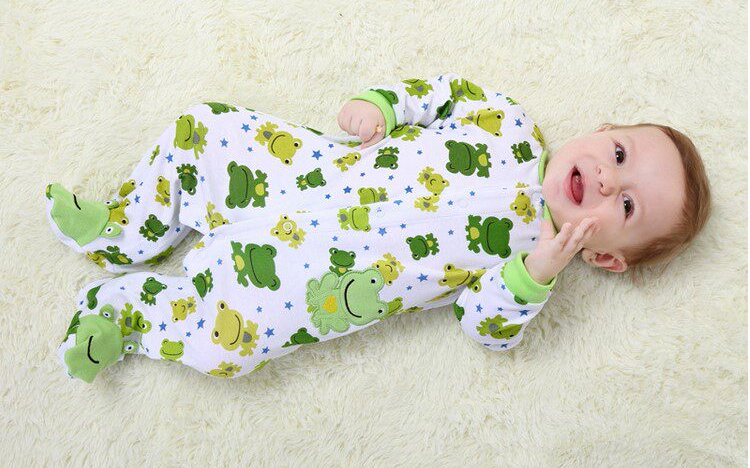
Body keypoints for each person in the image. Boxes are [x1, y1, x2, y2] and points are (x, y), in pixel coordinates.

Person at [45, 75, 711, 382]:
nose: (606, 179)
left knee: (230, 341)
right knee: (206, 130)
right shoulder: (509, 125)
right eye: (617, 153)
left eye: (627, 206)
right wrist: (385, 106)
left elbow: (483, 327)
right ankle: (124, 226)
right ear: (601, 131)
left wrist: (535, 272)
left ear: (606, 258)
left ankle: (123, 316)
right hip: (303, 173)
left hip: (313, 279)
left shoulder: (526, 265)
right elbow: (444, 96)